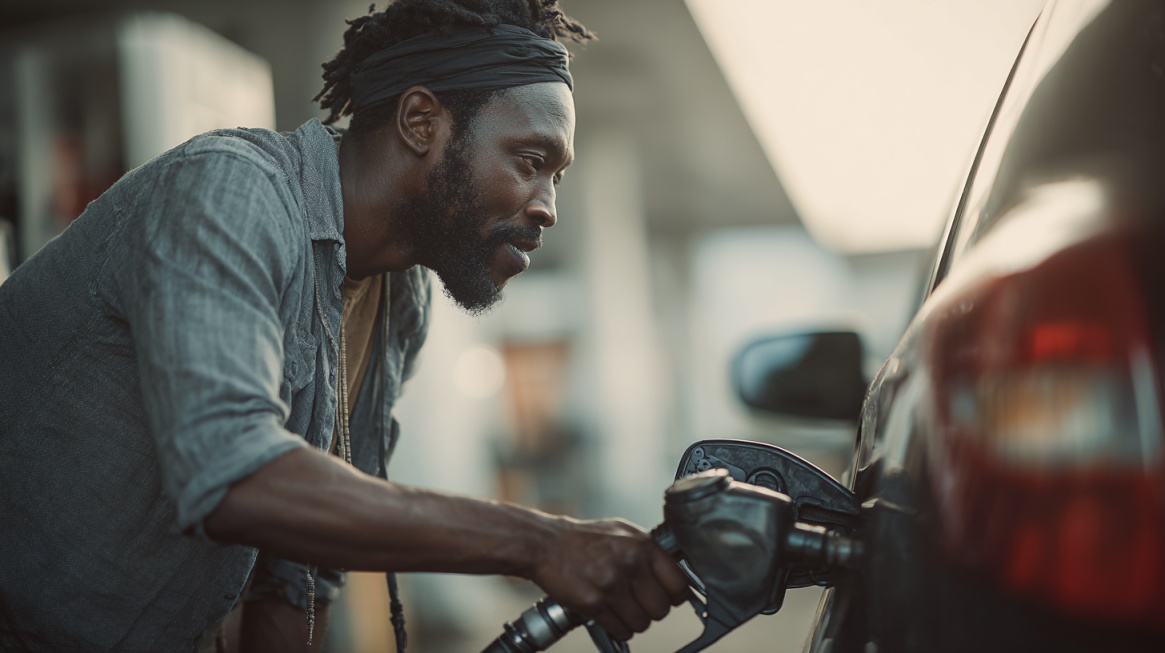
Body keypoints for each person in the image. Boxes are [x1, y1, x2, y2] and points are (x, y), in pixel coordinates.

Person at [0, 1, 690, 651]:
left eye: (558, 178)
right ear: (421, 121)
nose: (547, 208)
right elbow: (235, 478)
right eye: (531, 162)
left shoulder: (400, 297)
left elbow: (297, 571)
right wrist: (542, 543)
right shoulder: (229, 192)